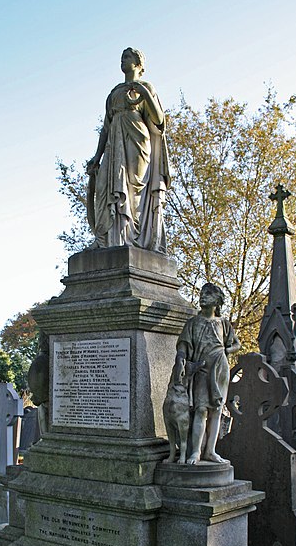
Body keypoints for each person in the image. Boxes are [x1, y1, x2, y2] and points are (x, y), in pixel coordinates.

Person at [86, 47, 170, 252]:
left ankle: (132, 238)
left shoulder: (146, 88)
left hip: (137, 142)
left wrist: (145, 96)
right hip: (113, 146)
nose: (122, 60)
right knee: (105, 186)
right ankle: (105, 238)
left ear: (138, 64)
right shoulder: (114, 93)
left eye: (127, 57)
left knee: (133, 190)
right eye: (122, 57)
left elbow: (159, 120)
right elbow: (106, 127)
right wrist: (97, 157)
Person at [173, 283, 241, 463]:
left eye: (208, 294)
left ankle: (210, 450)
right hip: (201, 368)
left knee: (217, 410)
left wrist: (226, 351)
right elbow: (183, 345)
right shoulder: (193, 322)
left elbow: (236, 344)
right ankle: (196, 451)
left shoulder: (223, 323)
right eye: (202, 293)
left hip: (219, 368)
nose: (203, 296)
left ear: (217, 301)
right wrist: (181, 358)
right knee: (201, 409)